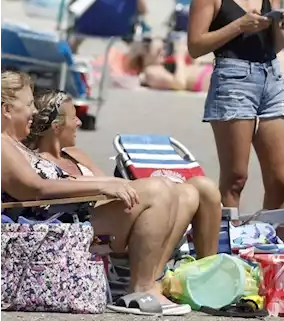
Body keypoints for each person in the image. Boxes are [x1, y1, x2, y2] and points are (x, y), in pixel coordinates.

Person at [0, 71, 197, 315]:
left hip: (61, 221)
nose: (33, 111)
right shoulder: (2, 144)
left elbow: (52, 182)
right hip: (48, 227)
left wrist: (109, 183)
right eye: (29, 104)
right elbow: (36, 188)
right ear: (7, 109)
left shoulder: (13, 143)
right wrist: (100, 186)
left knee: (166, 188)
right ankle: (141, 286)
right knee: (156, 191)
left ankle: (144, 283)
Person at [26, 88, 222, 258]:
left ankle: (206, 270)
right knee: (163, 192)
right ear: (57, 126)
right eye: (74, 117)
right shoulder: (38, 162)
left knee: (201, 188)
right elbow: (52, 190)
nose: (79, 122)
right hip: (83, 221)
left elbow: (111, 184)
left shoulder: (74, 154)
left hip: (110, 211)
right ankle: (149, 280)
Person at [186, 0, 284, 210]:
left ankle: (275, 243)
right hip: (233, 79)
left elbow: (276, 47)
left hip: (270, 77)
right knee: (236, 177)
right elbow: (195, 46)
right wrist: (238, 26)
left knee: (282, 179)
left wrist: (280, 28)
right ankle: (225, 247)